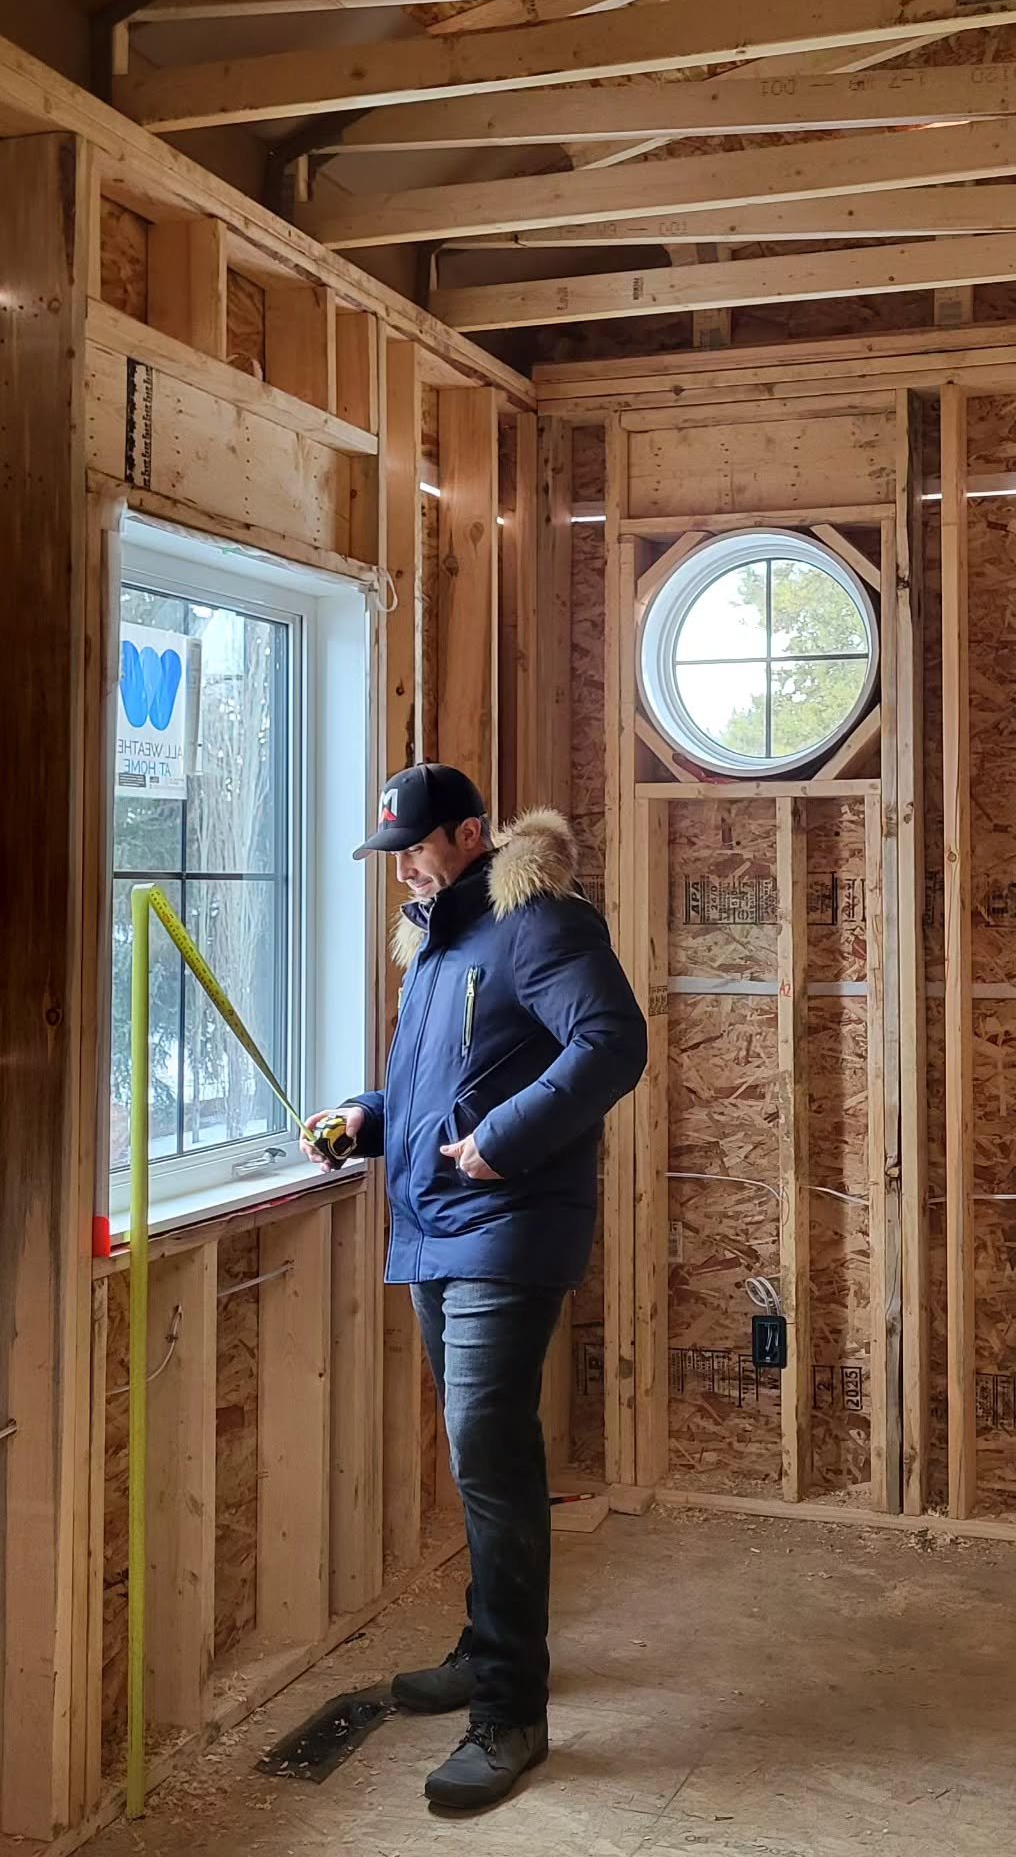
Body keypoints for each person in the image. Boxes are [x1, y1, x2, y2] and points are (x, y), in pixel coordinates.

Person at [304, 762, 646, 1811]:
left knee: (489, 1455)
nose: (402, 865)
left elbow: (613, 1043)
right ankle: (486, 1645)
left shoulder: (539, 922)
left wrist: (502, 1140)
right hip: (440, 1225)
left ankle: (511, 1711)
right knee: (480, 1456)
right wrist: (365, 1118)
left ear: (470, 832)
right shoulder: (438, 941)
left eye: (416, 845)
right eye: (392, 851)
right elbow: (433, 1081)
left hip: (508, 1225)